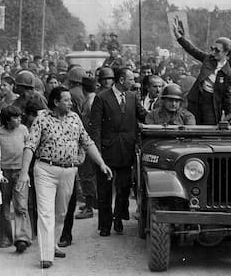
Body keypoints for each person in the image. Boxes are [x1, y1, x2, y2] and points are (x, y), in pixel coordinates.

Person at [17, 86, 112, 269]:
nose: (70, 103)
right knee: (45, 212)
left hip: (69, 171)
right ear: (56, 102)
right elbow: (30, 145)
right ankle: (46, 256)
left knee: (61, 213)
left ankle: (52, 245)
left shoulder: (75, 118)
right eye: (66, 100)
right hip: (45, 170)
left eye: (70, 100)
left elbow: (87, 142)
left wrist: (101, 163)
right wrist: (23, 173)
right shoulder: (42, 119)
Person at [90, 67, 147, 237]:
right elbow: (96, 127)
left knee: (123, 188)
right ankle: (105, 224)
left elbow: (144, 116)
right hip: (107, 151)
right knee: (105, 189)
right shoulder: (101, 98)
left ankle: (119, 218)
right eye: (131, 80)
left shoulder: (132, 97)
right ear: (121, 80)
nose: (133, 83)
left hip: (126, 150)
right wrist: (97, 153)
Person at [172, 20, 231, 124]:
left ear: (226, 52)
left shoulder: (228, 74)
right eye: (212, 48)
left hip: (211, 105)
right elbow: (193, 50)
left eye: (217, 50)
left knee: (207, 131)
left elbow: (227, 96)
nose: (213, 52)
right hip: (196, 100)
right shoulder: (208, 59)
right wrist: (178, 36)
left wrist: (228, 115)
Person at [0, 105, 32, 252]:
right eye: (16, 117)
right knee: (4, 204)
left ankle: (22, 237)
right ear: (8, 120)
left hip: (21, 171)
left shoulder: (23, 130)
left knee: (21, 204)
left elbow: (29, 147)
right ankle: (4, 237)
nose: (19, 119)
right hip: (4, 173)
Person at [75, 77, 98, 219]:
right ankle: (90, 202)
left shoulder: (90, 102)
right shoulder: (92, 99)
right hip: (89, 142)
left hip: (88, 143)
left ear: (83, 89)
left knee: (87, 175)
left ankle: (89, 207)